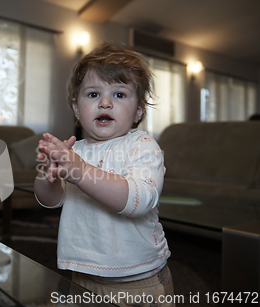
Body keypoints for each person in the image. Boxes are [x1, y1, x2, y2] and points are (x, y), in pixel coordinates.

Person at [34, 42, 174, 307]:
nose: (106, 102)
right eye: (93, 94)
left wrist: (80, 171)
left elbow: (139, 200)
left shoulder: (142, 146)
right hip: (83, 273)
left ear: (138, 112)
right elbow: (50, 200)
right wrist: (48, 175)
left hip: (138, 277)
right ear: (77, 109)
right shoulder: (75, 151)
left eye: (120, 95)